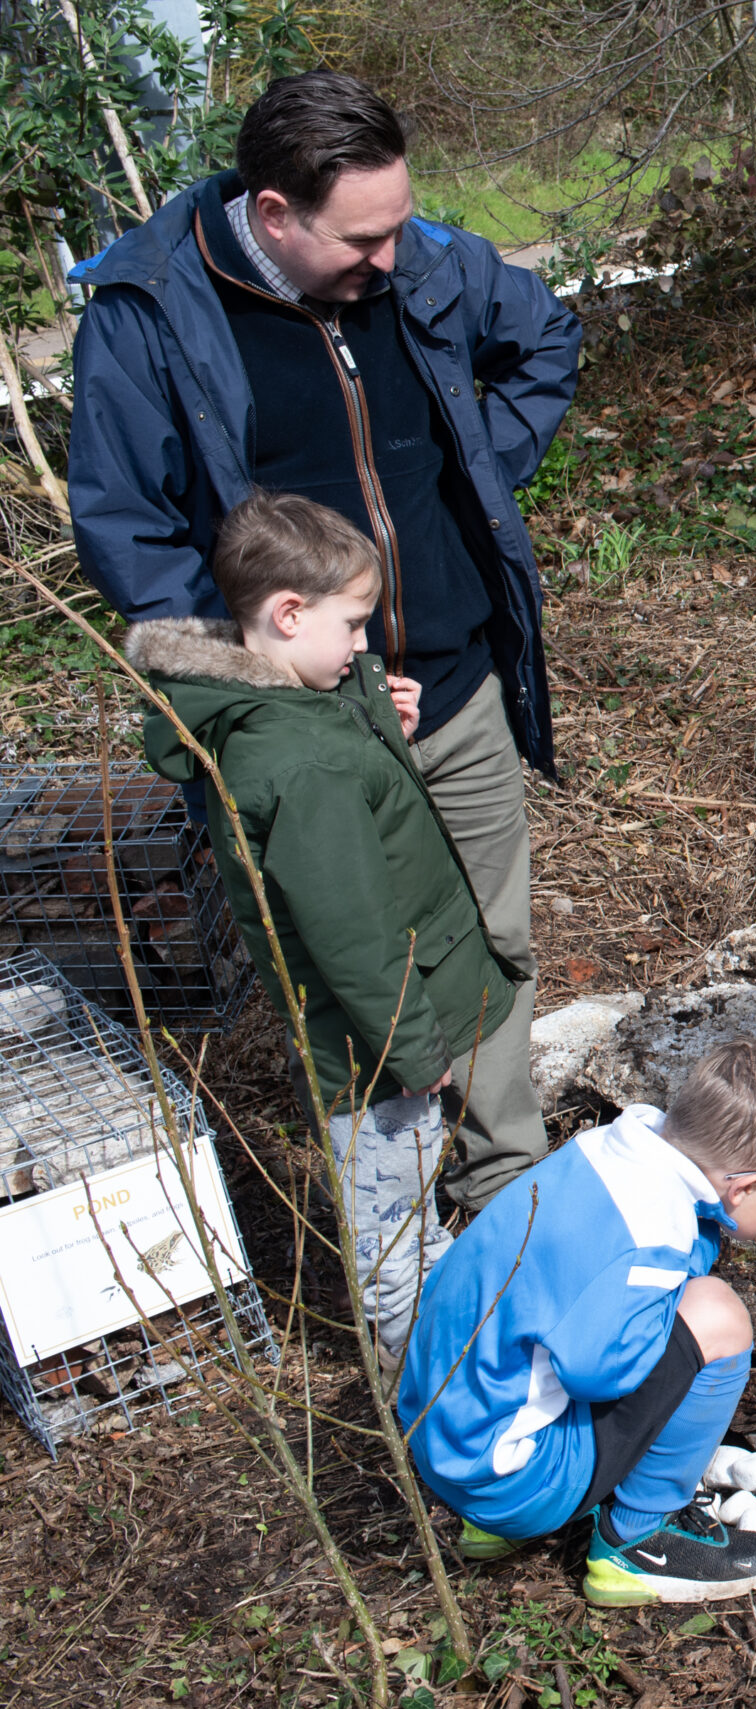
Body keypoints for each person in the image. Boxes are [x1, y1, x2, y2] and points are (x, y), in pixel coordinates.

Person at [69, 69, 579, 1213]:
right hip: (314, 727)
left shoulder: (426, 258)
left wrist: (474, 472)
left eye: (398, 227)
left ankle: (507, 1188)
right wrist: (284, 687)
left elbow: (543, 336)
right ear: (274, 214)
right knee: (353, 965)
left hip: (452, 683)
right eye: (361, 240)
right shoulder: (148, 314)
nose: (391, 262)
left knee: (491, 937)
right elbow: (129, 535)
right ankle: (400, 1215)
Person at [130, 492, 523, 1371]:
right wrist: (416, 1050)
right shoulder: (298, 762)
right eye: (351, 624)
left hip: (385, 1041)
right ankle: (424, 1395)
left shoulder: (297, 706)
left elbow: (353, 795)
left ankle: (453, 1355)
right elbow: (355, 932)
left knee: (412, 1217)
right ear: (288, 612)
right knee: (392, 1235)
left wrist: (380, 720)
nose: (362, 645)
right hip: (374, 1056)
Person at [397, 1036, 756, 1604]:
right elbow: (603, 1376)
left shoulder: (609, 1149)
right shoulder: (649, 1237)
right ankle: (639, 1542)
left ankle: (488, 1521)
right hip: (509, 1481)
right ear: (748, 1186)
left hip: (447, 1438)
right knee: (718, 1316)